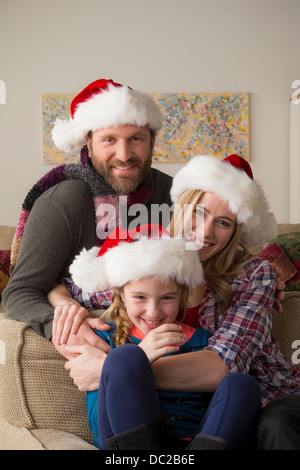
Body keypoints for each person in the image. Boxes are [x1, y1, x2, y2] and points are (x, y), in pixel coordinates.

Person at [57, 154, 300, 449]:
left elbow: (223, 367)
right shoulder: (147, 258)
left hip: (243, 403)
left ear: (236, 232)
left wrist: (116, 373)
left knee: (241, 385)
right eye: (199, 212)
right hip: (148, 414)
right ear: (182, 204)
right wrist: (65, 308)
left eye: (223, 222)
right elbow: (69, 286)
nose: (206, 231)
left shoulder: (254, 274)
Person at [48, 223, 261, 450]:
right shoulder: (101, 339)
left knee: (242, 384)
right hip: (129, 444)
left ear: (182, 296)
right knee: (126, 356)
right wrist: (138, 360)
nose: (153, 312)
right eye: (140, 297)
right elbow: (97, 422)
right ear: (121, 295)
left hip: (193, 447)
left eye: (167, 298)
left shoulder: (204, 342)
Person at [2, 78, 173, 347]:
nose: (124, 154)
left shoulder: (173, 192)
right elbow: (20, 292)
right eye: (109, 140)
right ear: (89, 143)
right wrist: (63, 322)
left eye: (136, 139)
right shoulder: (64, 201)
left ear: (152, 141)